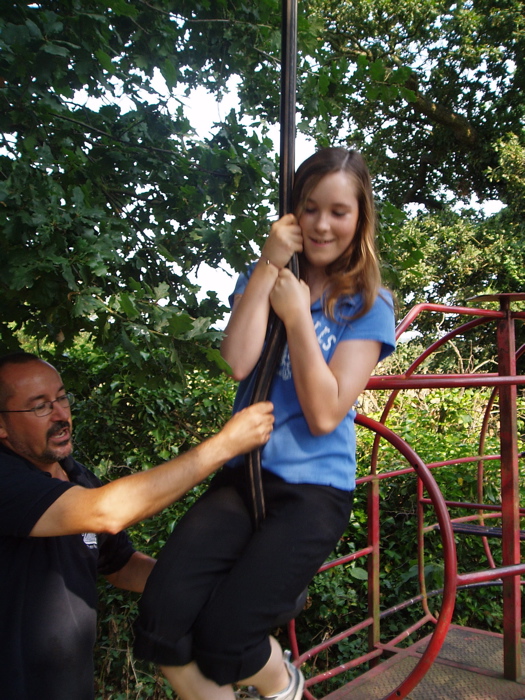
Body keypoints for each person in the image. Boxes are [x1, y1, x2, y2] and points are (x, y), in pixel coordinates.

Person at [133, 147, 396, 700]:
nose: (321, 224)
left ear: (360, 217)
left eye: (338, 211)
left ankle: (287, 689)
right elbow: (237, 361)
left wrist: (299, 317)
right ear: (291, 212)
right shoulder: (265, 276)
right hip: (244, 475)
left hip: (313, 492)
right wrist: (266, 268)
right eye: (309, 207)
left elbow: (326, 413)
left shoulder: (368, 304)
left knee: (227, 642)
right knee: (160, 622)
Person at [0, 351, 274, 700]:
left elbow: (118, 565)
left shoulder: (77, 475)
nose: (61, 414)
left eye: (61, 397)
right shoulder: (6, 480)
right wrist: (224, 446)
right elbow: (106, 512)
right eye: (39, 406)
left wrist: (202, 587)